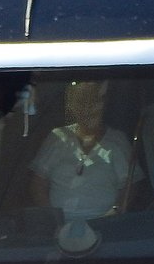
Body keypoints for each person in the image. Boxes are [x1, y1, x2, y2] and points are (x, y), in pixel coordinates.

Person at [29, 81, 131, 222]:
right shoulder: (57, 137)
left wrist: (112, 214)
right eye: (82, 103)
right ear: (72, 107)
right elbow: (38, 186)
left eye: (94, 102)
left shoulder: (117, 140)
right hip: (59, 228)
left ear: (102, 104)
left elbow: (129, 188)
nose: (88, 109)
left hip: (107, 227)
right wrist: (54, 221)